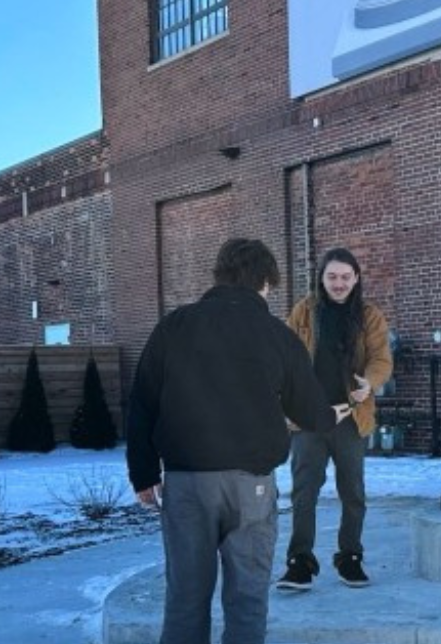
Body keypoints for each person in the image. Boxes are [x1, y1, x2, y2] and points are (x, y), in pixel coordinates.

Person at [126, 237, 352, 644]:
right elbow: (310, 412)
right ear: (265, 282)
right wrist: (334, 412)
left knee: (185, 601)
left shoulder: (174, 326)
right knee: (247, 602)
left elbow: (142, 402)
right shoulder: (277, 335)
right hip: (252, 486)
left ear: (220, 275)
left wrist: (143, 473)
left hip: (187, 484)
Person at [276, 248, 392, 591]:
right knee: (304, 493)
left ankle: (349, 557)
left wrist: (369, 382)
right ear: (322, 278)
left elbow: (381, 358)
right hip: (308, 419)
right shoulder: (303, 311)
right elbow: (285, 356)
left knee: (353, 492)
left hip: (351, 418)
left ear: (356, 278)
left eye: (345, 277)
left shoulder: (369, 315)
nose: (338, 283)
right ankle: (300, 562)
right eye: (332, 277)